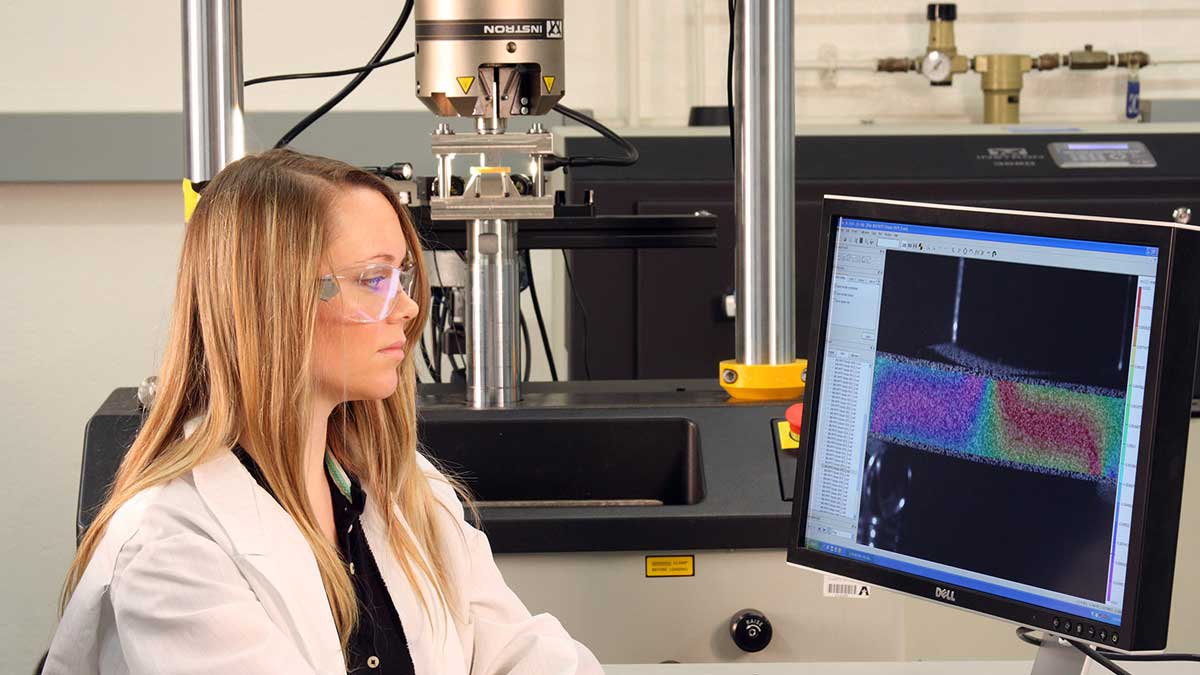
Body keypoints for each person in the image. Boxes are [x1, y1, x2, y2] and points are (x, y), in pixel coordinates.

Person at [43, 149, 603, 675]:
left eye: (403, 276)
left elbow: (519, 651)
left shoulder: (402, 486)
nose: (408, 308)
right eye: (374, 279)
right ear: (274, 300)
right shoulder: (172, 551)